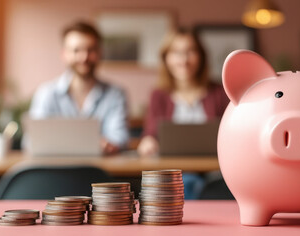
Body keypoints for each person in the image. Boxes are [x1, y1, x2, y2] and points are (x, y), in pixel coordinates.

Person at [137, 28, 230, 199]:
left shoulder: (220, 92)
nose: (184, 60)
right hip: (172, 174)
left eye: (190, 52)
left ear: (201, 56)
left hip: (215, 174)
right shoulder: (158, 95)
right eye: (176, 53)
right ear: (166, 58)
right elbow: (150, 133)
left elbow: (232, 133)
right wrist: (147, 142)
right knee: (186, 183)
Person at [29, 21, 129, 155]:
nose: (84, 57)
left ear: (100, 53)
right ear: (64, 54)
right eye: (76, 50)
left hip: (100, 173)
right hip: (55, 172)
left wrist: (109, 145)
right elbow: (32, 140)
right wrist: (92, 144)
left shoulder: (115, 94)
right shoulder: (46, 93)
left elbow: (119, 137)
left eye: (90, 50)